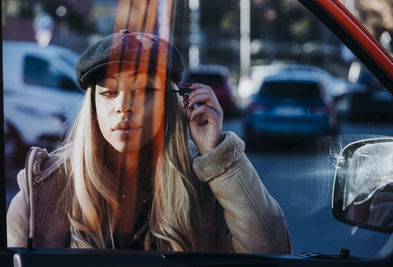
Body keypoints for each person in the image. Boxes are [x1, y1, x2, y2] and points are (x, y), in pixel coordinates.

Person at [7, 30, 292, 253]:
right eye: (108, 93)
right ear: (92, 106)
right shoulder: (43, 193)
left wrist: (218, 155)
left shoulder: (205, 186)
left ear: (170, 102)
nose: (124, 106)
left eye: (142, 90)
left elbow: (272, 253)